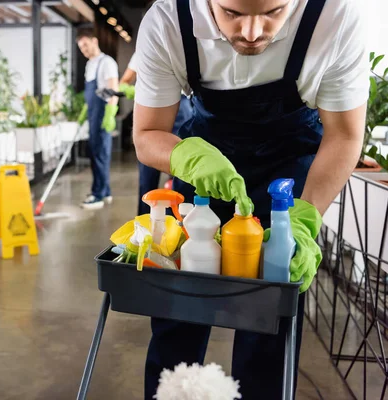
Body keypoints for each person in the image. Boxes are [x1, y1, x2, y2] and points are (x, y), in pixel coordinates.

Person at [133, 0, 367, 398]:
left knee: (269, 313)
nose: (253, 32)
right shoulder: (169, 22)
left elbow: (344, 135)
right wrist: (185, 155)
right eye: (233, 13)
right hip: (204, 174)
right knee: (180, 303)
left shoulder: (335, 20)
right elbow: (147, 132)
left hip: (288, 178)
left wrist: (305, 216)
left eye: (274, 12)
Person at [118, 53, 193, 216]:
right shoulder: (145, 48)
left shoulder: (183, 43)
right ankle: (145, 225)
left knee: (184, 174)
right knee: (148, 170)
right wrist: (130, 90)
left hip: (183, 107)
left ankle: (180, 226)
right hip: (150, 107)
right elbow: (124, 82)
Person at [76, 30, 119, 210]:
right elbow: (93, 91)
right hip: (93, 112)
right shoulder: (89, 64)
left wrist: (110, 113)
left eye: (86, 45)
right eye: (81, 47)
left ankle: (98, 195)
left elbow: (112, 88)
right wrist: (86, 109)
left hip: (102, 114)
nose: (84, 49)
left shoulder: (106, 62)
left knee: (100, 154)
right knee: (96, 153)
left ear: (95, 41)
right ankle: (105, 191)